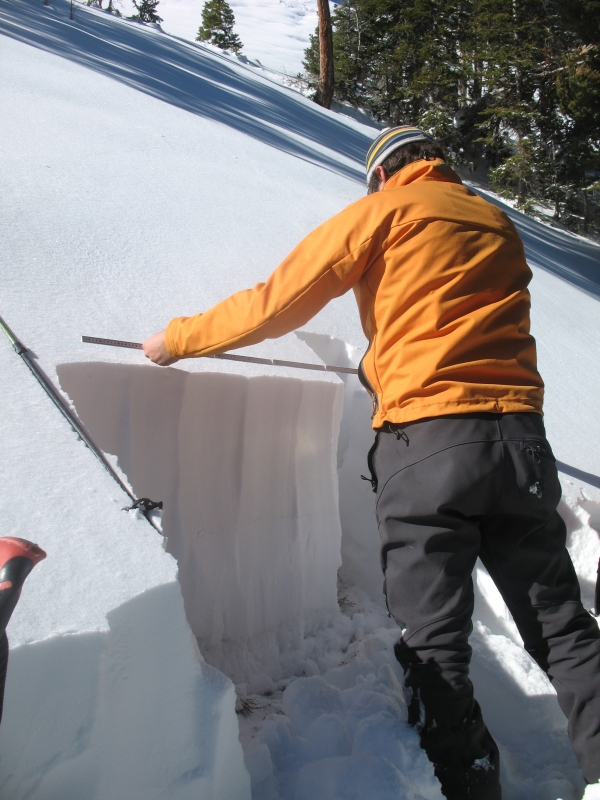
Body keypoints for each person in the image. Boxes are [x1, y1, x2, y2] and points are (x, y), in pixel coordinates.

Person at [142, 125, 600, 798]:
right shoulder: (494, 221)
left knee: (432, 637)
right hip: (522, 444)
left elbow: (276, 303)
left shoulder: (384, 213)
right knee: (561, 623)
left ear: (382, 174)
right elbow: (459, 319)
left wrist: (175, 339)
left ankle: (466, 782)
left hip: (431, 444)